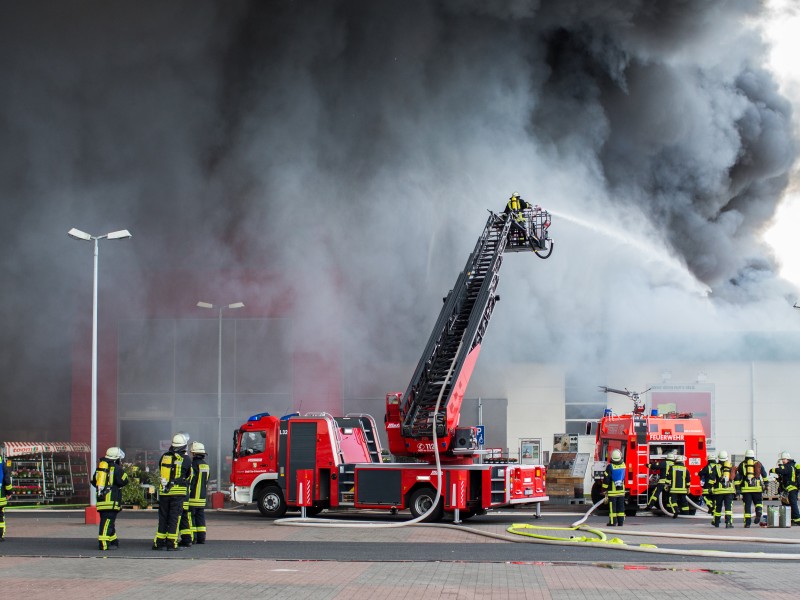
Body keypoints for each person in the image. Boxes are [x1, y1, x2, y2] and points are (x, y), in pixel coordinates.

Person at [153, 433, 193, 551]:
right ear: (183, 446)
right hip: (178, 493)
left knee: (163, 517)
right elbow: (188, 475)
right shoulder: (185, 459)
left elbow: (161, 470)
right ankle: (172, 543)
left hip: (164, 492)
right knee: (175, 518)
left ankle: (159, 542)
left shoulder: (164, 457)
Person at [91, 447, 130, 550]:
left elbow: (93, 481)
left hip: (101, 500)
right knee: (107, 521)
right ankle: (103, 544)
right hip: (111, 500)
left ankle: (113, 541)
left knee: (109, 521)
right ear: (116, 458)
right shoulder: (116, 468)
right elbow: (124, 481)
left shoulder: (100, 468)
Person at [735, 449, 767, 528]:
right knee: (758, 502)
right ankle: (759, 512)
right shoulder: (758, 463)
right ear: (753, 456)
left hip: (746, 489)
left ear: (745, 456)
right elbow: (764, 474)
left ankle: (747, 523)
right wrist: (766, 484)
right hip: (757, 488)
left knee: (747, 506)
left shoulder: (742, 464)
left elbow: (738, 477)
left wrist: (738, 488)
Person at [188, 441, 211, 544]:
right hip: (202, 497)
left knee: (191, 517)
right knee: (200, 518)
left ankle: (193, 538)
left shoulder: (193, 465)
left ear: (194, 453)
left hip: (193, 497)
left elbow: (191, 481)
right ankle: (201, 538)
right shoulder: (206, 466)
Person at [770, 451, 800, 525]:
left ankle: (797, 520)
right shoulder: (790, 465)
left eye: (784, 459)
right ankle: (792, 519)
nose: (783, 461)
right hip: (788, 488)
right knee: (788, 503)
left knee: (793, 503)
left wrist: (772, 470)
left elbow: (781, 470)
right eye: (782, 459)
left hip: (791, 488)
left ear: (788, 459)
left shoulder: (788, 466)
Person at [709, 450, 735, 528]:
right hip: (729, 490)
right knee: (728, 507)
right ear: (726, 458)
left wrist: (710, 487)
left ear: (719, 458)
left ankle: (716, 522)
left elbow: (711, 478)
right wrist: (737, 488)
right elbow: (735, 477)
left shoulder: (715, 467)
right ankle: (728, 523)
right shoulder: (730, 465)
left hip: (718, 491)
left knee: (718, 507)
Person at [602, 449, 626, 527]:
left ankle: (612, 522)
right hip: (621, 491)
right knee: (621, 508)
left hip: (613, 491)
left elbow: (606, 479)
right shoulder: (623, 465)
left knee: (613, 508)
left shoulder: (610, 467)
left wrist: (604, 488)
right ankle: (621, 522)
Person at [666, 454, 690, 518]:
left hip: (674, 489)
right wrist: (688, 488)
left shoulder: (672, 468)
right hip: (683, 489)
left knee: (672, 500)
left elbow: (668, 478)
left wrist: (667, 485)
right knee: (684, 501)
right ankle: (686, 514)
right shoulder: (685, 469)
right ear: (682, 461)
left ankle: (675, 510)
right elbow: (688, 480)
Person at [0, 455, 11, 541]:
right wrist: (9, 492)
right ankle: (0, 536)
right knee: (0, 518)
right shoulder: (3, 465)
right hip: (1, 497)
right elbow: (7, 480)